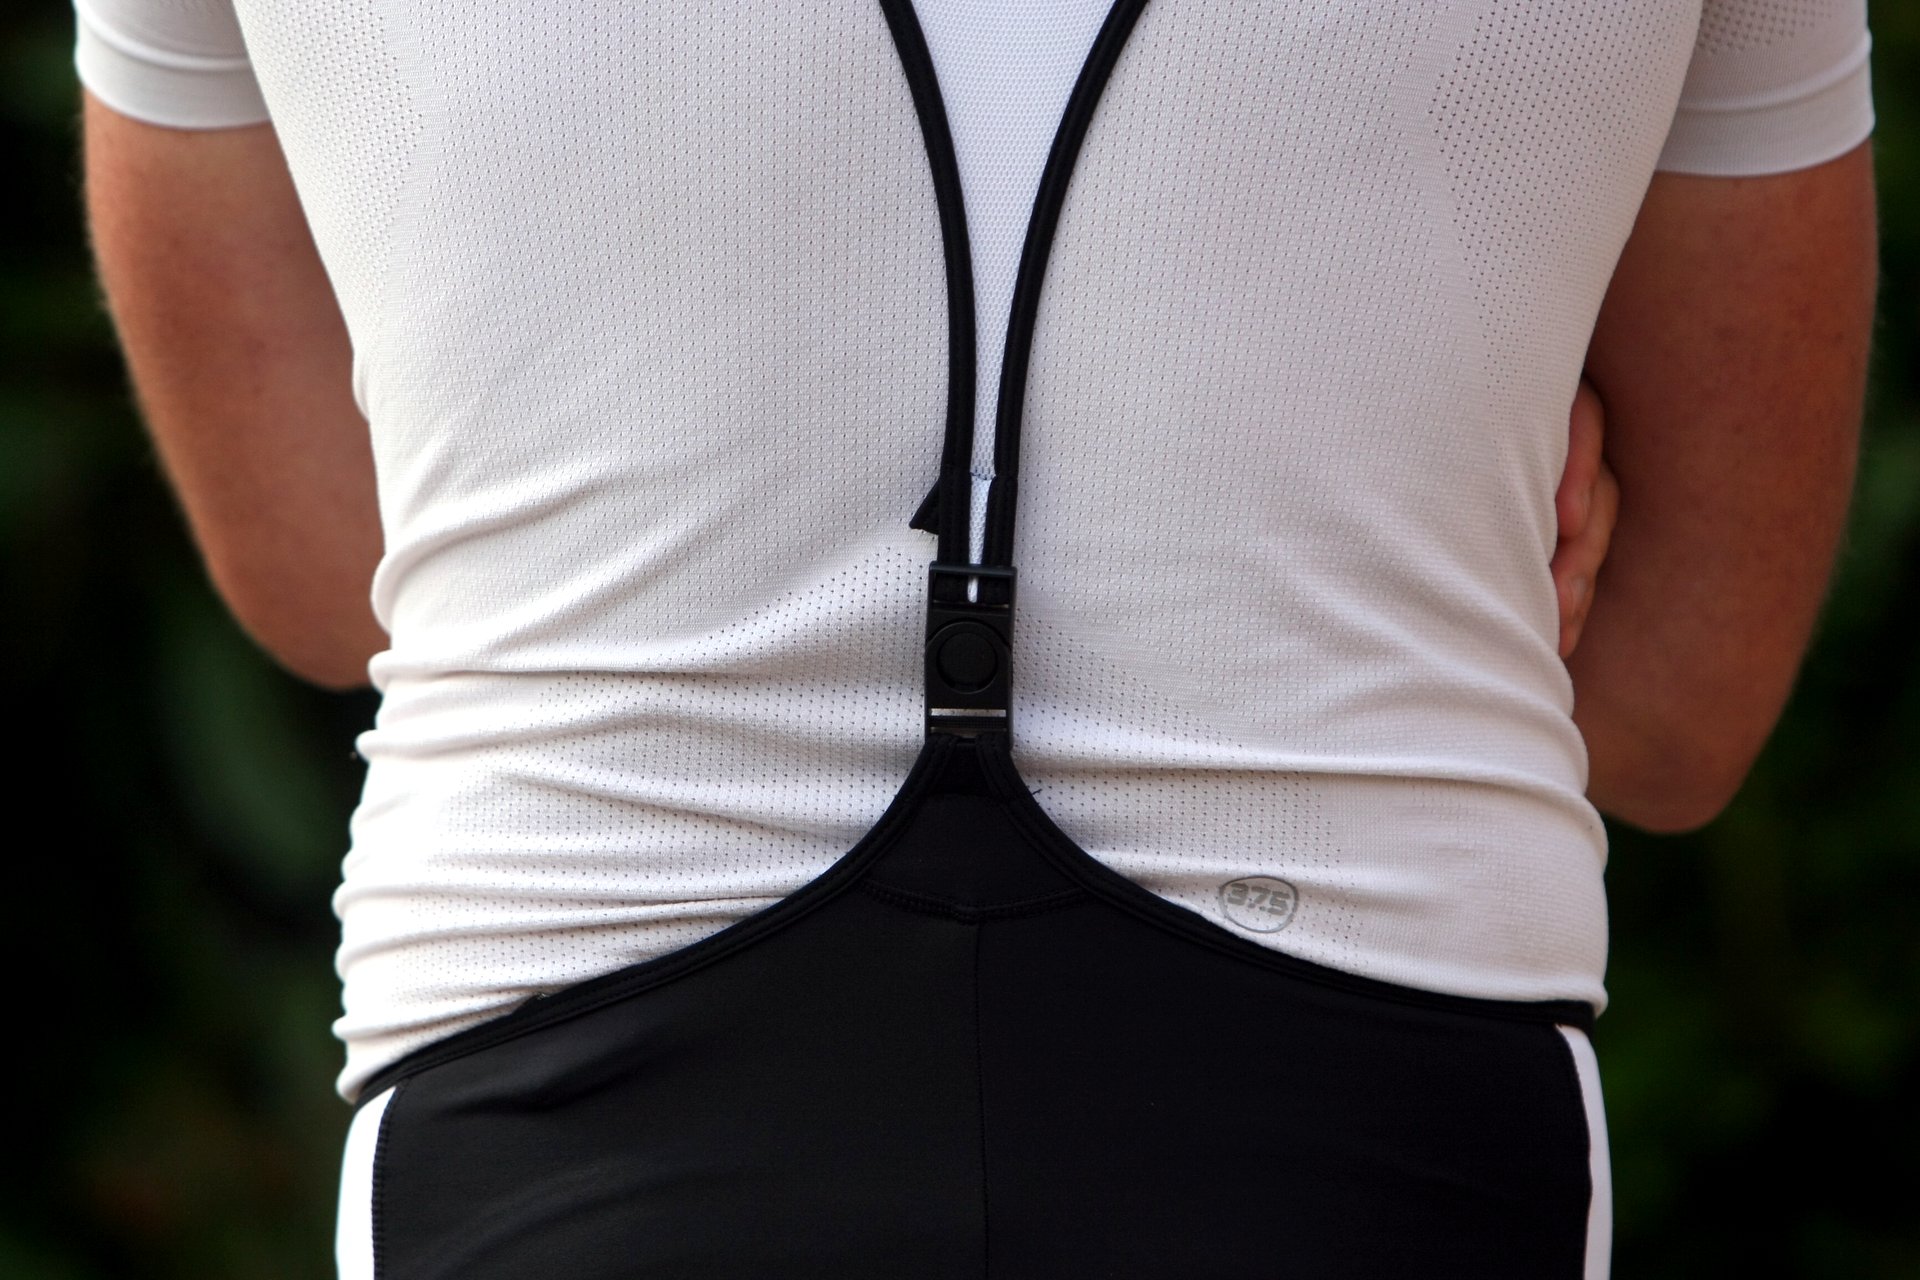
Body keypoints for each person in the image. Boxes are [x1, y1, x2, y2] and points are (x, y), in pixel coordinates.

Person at [73, 0, 1876, 1275]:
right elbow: (1677, 705)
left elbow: (331, 570)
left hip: (567, 1086)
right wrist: (1429, 497)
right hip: (1373, 1100)